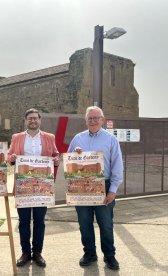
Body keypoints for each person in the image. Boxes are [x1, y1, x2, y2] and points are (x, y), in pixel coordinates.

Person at [67, 106, 123, 271]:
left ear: (102, 120)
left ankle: (109, 255)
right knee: (84, 224)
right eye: (90, 118)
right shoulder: (77, 139)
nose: (93, 121)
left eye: (96, 118)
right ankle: (90, 253)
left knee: (106, 224)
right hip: (81, 186)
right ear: (86, 121)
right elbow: (69, 162)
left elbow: (117, 166)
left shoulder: (111, 139)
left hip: (103, 186)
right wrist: (74, 154)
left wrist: (112, 190)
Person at [7, 108, 60, 268]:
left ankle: (37, 253)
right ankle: (25, 253)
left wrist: (56, 160)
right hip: (23, 186)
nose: (33, 121)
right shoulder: (16, 138)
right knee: (23, 221)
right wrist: (12, 158)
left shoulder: (49, 137)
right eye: (30, 118)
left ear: (40, 120)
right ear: (25, 121)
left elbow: (55, 155)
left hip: (42, 187)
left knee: (39, 221)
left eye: (35, 118)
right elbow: (9, 156)